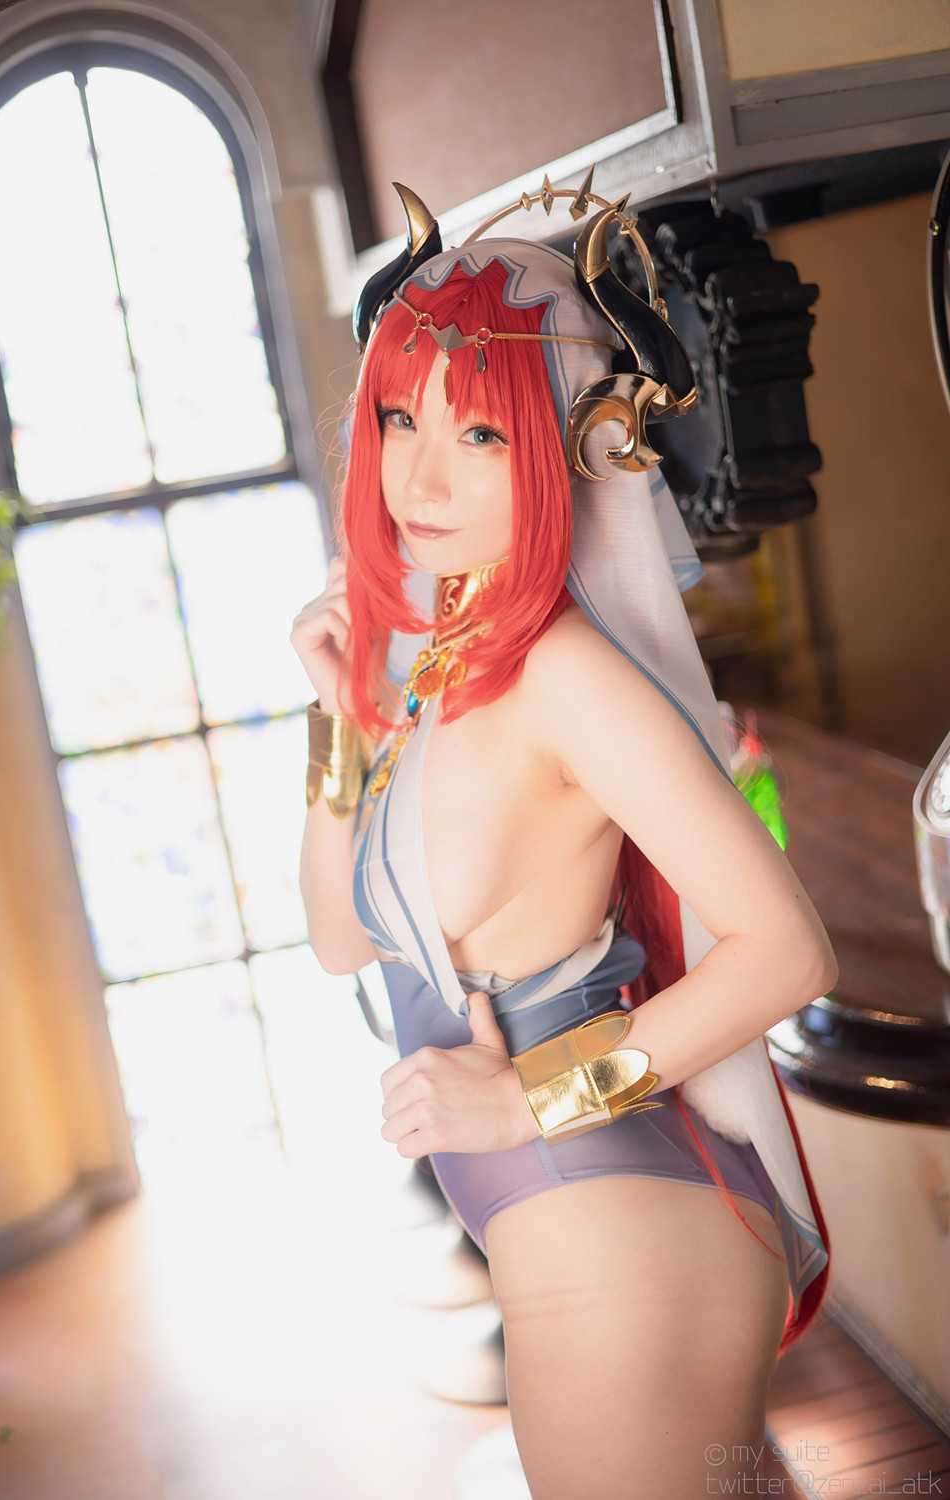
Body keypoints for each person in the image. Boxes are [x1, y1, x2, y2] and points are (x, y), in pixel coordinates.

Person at [293, 175, 836, 1499]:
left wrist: (528, 1100)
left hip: (624, 1239)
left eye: (479, 432)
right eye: (402, 417)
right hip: (558, 1224)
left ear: (555, 447)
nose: (421, 474)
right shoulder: (434, 663)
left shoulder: (565, 677)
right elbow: (339, 937)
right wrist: (339, 718)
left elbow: (789, 955)